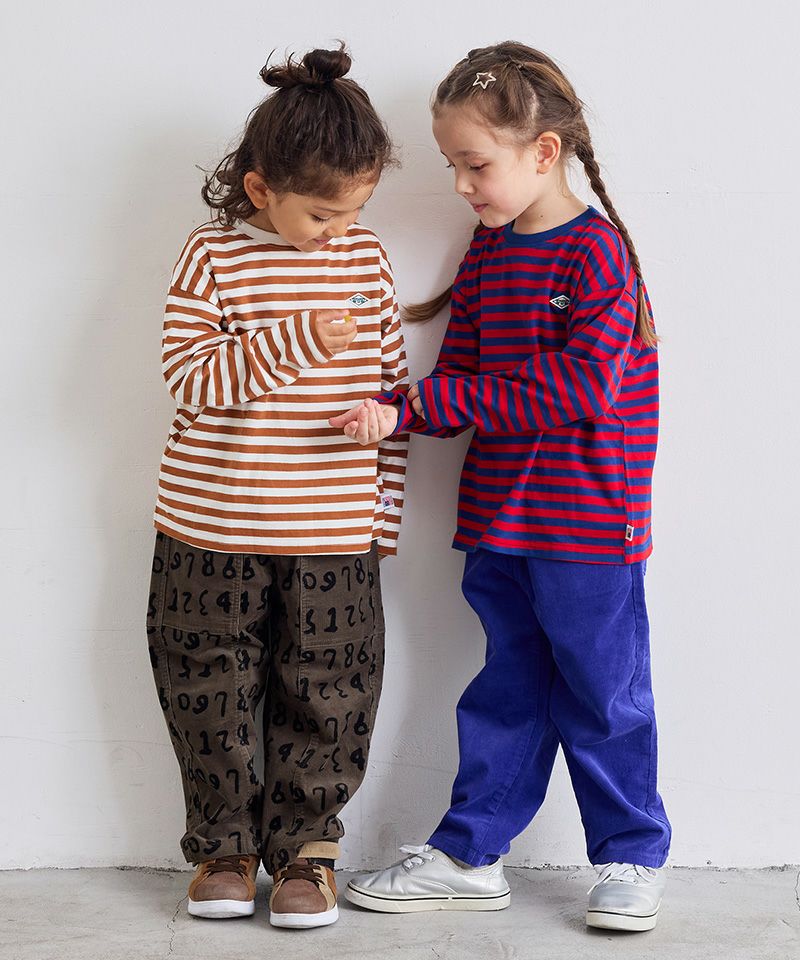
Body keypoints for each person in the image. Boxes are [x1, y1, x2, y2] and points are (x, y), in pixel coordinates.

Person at [331, 41, 671, 932]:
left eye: (474, 164)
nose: (460, 185)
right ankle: (470, 854)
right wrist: (394, 409)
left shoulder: (596, 254)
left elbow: (576, 390)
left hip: (589, 527)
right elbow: (460, 379)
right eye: (453, 165)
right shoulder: (488, 253)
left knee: (603, 695)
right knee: (506, 690)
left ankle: (632, 854)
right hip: (498, 522)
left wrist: (425, 403)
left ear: (543, 152)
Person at [145, 44, 409, 930]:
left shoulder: (365, 259)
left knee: (329, 691)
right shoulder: (212, 255)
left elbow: (392, 396)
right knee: (207, 687)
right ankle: (222, 847)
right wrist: (295, 340)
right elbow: (190, 377)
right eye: (322, 214)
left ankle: (307, 853)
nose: (340, 230)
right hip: (208, 522)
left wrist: (382, 516)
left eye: (355, 212)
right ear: (260, 189)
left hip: (333, 527)